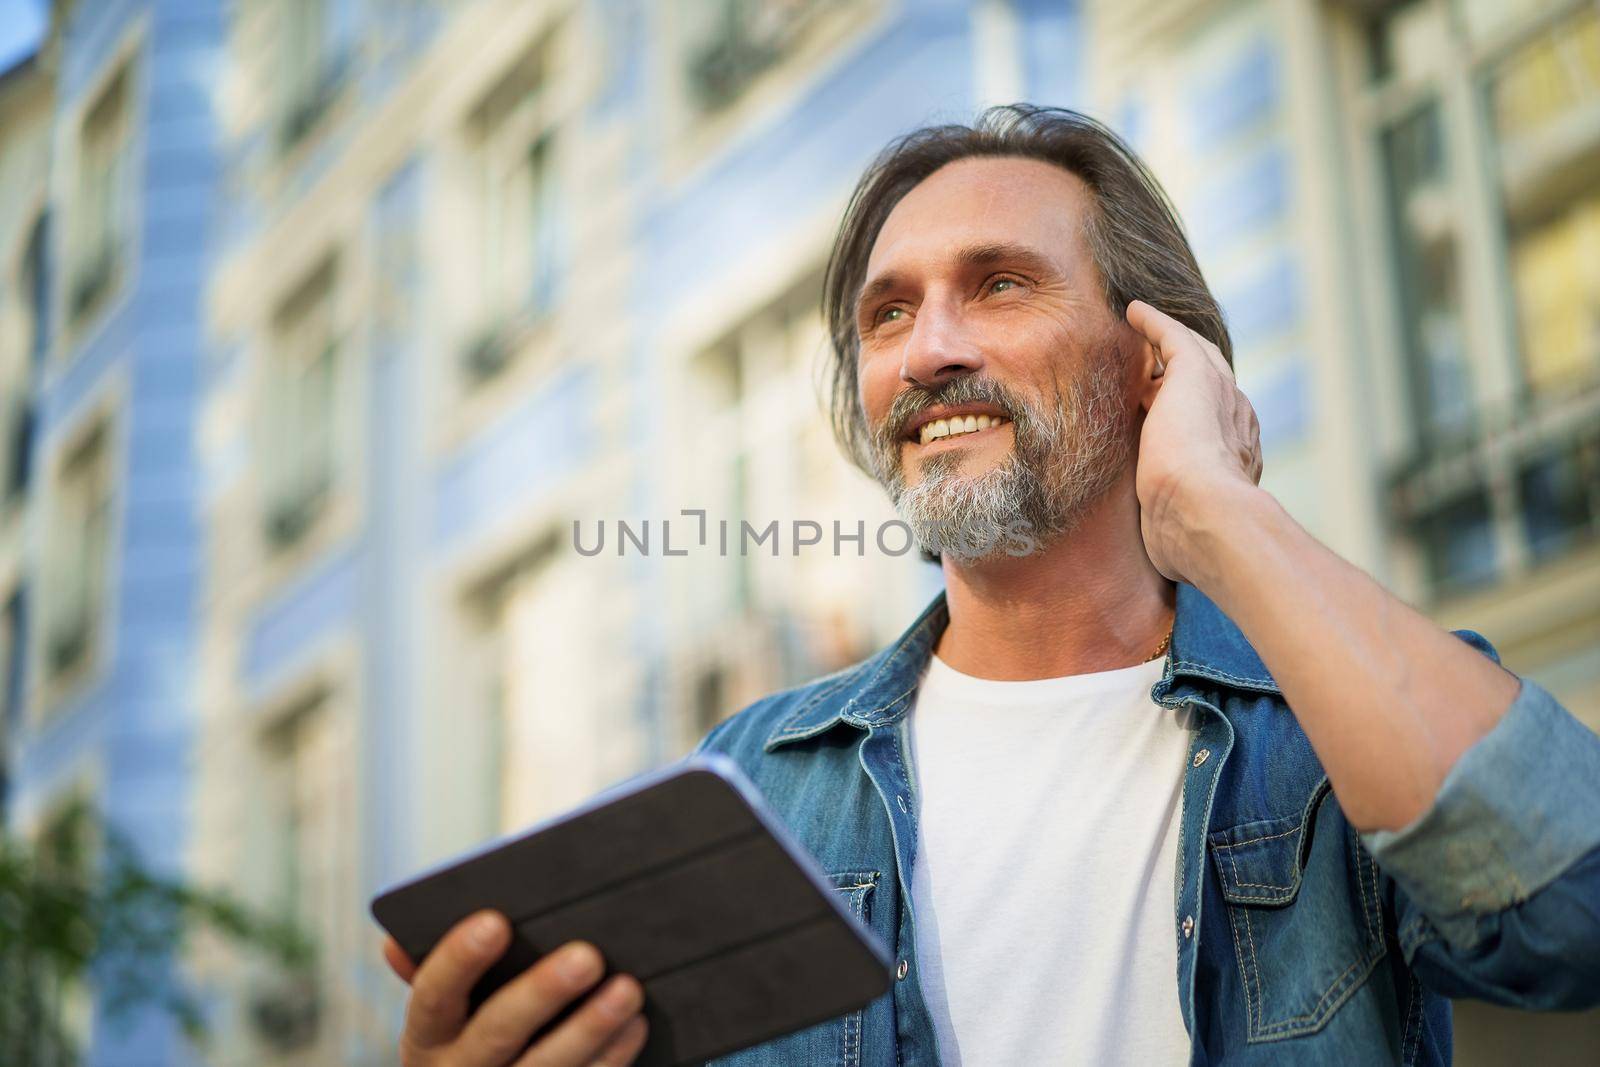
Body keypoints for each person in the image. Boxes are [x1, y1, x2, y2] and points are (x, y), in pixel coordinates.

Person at [381, 106, 1600, 1066]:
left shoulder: (1335, 726)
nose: (926, 351)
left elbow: (1571, 915)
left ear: (1152, 359)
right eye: (888, 311)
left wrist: (1221, 514)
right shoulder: (757, 784)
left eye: (1000, 283)